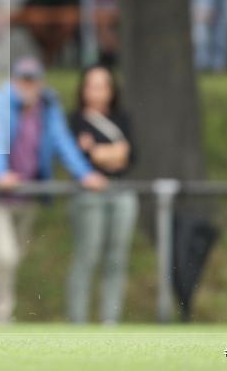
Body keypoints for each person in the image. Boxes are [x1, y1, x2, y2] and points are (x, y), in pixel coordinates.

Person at [0, 57, 106, 324]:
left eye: (33, 80)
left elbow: (62, 142)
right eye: (24, 79)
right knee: (5, 255)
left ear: (41, 82)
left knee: (10, 260)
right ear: (14, 80)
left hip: (25, 196)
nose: (28, 85)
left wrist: (84, 173)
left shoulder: (47, 107)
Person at [66, 65, 137, 324]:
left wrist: (98, 151)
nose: (96, 92)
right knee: (88, 255)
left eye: (102, 86)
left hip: (120, 192)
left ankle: (110, 323)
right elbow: (83, 157)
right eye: (91, 86)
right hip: (88, 195)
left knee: (116, 259)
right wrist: (110, 153)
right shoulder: (75, 120)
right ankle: (78, 323)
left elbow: (128, 156)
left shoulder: (122, 119)